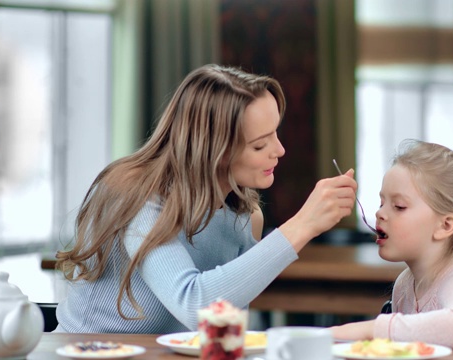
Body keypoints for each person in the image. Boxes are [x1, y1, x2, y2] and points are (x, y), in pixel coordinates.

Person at [53, 64, 357, 333]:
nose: (279, 151)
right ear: (215, 149)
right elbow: (196, 304)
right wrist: (303, 225)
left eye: (275, 133)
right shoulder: (133, 196)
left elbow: (226, 326)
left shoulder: (245, 216)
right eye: (260, 144)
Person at [330, 139, 453, 349]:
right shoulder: (404, 286)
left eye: (399, 206)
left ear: (445, 226)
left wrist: (373, 330)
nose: (380, 213)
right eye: (382, 203)